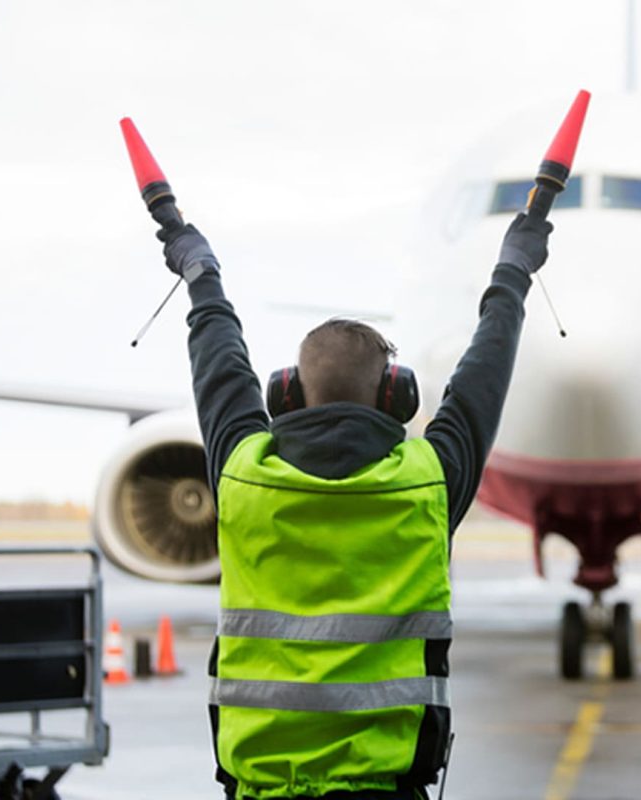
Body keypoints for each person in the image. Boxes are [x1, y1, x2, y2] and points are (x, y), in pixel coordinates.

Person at [157, 208, 552, 800]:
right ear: (396, 395)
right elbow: (484, 374)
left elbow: (219, 365)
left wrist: (200, 273)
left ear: (285, 394)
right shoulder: (427, 482)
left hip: (261, 791)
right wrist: (513, 272)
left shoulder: (242, 473)